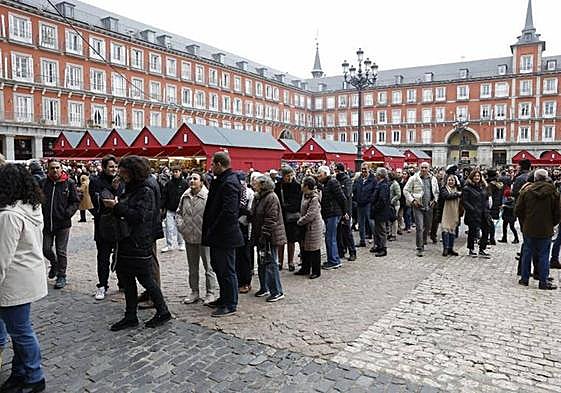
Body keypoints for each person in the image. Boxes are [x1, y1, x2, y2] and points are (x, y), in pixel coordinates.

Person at [102, 156, 171, 331]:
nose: (121, 175)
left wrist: (116, 207)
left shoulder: (145, 189)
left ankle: (163, 311)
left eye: (124, 172)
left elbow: (140, 216)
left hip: (139, 241)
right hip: (127, 239)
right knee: (126, 278)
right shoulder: (133, 186)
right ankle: (130, 315)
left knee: (146, 278)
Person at [0, 164, 47, 393]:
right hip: (27, 276)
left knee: (21, 331)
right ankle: (20, 373)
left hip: (14, 280)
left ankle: (34, 376)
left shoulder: (9, 215)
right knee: (19, 330)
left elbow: (2, 258)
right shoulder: (30, 207)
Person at [202, 152, 244, 317]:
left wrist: (213, 228)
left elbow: (229, 212)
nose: (211, 167)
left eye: (212, 164)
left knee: (227, 270)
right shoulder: (221, 180)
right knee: (218, 267)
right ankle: (224, 297)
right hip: (217, 234)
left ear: (219, 164)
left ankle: (230, 303)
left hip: (225, 235)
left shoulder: (230, 182)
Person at [176, 171, 218, 305]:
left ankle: (210, 292)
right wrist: (181, 227)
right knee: (192, 267)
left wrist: (209, 232)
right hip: (189, 236)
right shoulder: (185, 196)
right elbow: (179, 213)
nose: (192, 181)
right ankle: (194, 291)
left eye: (195, 178)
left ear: (202, 181)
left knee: (209, 267)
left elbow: (213, 216)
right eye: (190, 178)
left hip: (205, 238)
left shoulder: (208, 196)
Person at [516, 169, 560, 290]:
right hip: (546, 228)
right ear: (546, 178)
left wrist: (525, 221)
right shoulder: (553, 192)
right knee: (544, 255)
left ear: (535, 178)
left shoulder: (526, 191)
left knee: (527, 253)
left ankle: (524, 279)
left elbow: (518, 209)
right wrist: (552, 223)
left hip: (529, 227)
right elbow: (558, 212)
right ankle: (543, 281)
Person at [41, 159, 81, 289]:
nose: (55, 170)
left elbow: (75, 201)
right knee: (46, 249)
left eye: (57, 167)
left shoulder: (68, 183)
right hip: (47, 223)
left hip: (63, 223)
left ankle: (62, 275)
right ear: (48, 169)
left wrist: (67, 213)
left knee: (61, 251)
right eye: (52, 168)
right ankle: (55, 264)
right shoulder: (44, 183)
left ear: (61, 168)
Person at [250, 175, 286, 302]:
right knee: (262, 261)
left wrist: (264, 234)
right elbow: (254, 214)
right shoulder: (258, 197)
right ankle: (264, 287)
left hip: (270, 236)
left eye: (256, 183)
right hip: (260, 235)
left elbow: (271, 218)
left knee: (271, 263)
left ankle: (276, 290)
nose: (254, 184)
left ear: (263, 185)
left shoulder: (271, 197)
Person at [403, 162, 439, 257]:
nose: (423, 169)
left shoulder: (433, 179)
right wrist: (412, 200)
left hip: (429, 206)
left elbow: (436, 192)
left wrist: (435, 200)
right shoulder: (414, 178)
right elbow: (405, 190)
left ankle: (423, 240)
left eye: (425, 167)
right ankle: (420, 247)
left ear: (429, 169)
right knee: (419, 227)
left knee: (427, 226)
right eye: (422, 167)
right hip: (418, 206)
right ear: (419, 168)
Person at [317, 166, 347, 270]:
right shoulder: (327, 183)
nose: (318, 176)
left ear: (325, 174)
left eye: (320, 174)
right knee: (331, 237)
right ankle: (333, 259)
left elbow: (342, 197)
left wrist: (344, 212)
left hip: (333, 213)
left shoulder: (332, 182)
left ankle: (334, 260)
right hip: (331, 213)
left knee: (330, 237)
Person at [274, 166, 302, 271]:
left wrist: (288, 206)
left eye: (291, 175)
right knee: (280, 240)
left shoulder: (297, 186)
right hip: (281, 216)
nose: (289, 178)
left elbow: (298, 202)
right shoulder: (278, 186)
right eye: (287, 176)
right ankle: (280, 261)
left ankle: (290, 261)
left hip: (292, 217)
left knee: (291, 240)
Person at [295, 176, 323, 279]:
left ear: (307, 186)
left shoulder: (314, 198)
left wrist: (300, 221)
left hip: (313, 227)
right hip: (305, 226)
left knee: (314, 249)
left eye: (302, 183)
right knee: (304, 248)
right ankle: (305, 268)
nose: (301, 185)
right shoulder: (305, 195)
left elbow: (311, 215)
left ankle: (316, 271)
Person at [462, 169, 491, 258]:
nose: (477, 178)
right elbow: (464, 201)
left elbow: (486, 198)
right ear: (472, 177)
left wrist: (487, 209)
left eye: (478, 176)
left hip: (483, 212)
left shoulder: (483, 187)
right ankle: (471, 249)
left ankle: (482, 248)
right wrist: (472, 209)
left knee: (486, 230)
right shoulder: (467, 188)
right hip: (473, 213)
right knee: (472, 232)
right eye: (475, 176)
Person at [161, 166, 188, 252]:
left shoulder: (184, 183)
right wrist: (162, 206)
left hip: (180, 210)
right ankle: (169, 245)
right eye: (174, 172)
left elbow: (187, 195)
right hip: (170, 209)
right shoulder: (169, 184)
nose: (175, 173)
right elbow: (164, 196)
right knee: (169, 228)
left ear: (180, 172)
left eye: (177, 171)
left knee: (180, 228)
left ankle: (181, 243)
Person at [236, 172, 254, 293]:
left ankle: (246, 281)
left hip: (246, 227)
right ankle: (239, 280)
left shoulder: (249, 193)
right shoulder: (236, 192)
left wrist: (242, 218)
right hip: (235, 227)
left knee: (245, 256)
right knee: (237, 256)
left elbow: (250, 212)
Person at [335, 163, 356, 261]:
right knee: (339, 231)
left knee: (347, 231)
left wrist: (346, 212)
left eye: (337, 171)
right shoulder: (336, 180)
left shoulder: (347, 180)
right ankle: (341, 251)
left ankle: (352, 252)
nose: (336, 173)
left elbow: (347, 195)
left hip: (346, 209)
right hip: (338, 209)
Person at [352, 164, 376, 247]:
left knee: (371, 222)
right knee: (360, 223)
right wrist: (356, 199)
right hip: (359, 203)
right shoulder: (358, 179)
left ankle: (376, 241)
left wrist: (371, 200)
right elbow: (354, 190)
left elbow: (375, 192)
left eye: (365, 169)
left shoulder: (373, 180)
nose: (363, 171)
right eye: (362, 169)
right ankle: (362, 240)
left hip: (368, 204)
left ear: (369, 169)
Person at [370, 167, 391, 257]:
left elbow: (382, 200)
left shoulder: (383, 185)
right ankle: (378, 246)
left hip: (381, 212)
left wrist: (375, 208)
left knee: (381, 230)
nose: (375, 175)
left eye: (376, 174)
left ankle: (383, 248)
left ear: (379, 175)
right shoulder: (380, 184)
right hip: (378, 211)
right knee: (377, 230)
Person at [438, 174, 462, 256]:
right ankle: (445, 248)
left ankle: (450, 248)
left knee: (452, 229)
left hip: (455, 211)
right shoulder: (444, 189)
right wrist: (458, 194)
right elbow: (447, 196)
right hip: (445, 211)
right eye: (449, 180)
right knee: (445, 229)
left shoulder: (458, 189)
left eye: (452, 180)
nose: (451, 182)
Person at [486, 169, 503, 246]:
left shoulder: (490, 185)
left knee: (489, 222)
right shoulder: (498, 184)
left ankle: (490, 238)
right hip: (497, 204)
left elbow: (489, 196)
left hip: (491, 205)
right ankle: (491, 238)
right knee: (492, 222)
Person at [388, 171, 402, 241]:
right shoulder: (389, 183)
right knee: (390, 220)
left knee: (394, 220)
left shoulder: (395, 184)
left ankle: (394, 234)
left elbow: (399, 194)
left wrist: (392, 200)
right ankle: (390, 233)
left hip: (395, 204)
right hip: (389, 204)